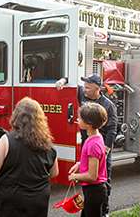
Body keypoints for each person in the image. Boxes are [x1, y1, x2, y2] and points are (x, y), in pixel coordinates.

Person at [0, 97, 59, 217]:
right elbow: (54, 172)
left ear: (16, 117)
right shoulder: (48, 144)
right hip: (38, 202)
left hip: (11, 203)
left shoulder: (6, 141)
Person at [55, 74, 117, 217]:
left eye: (88, 88)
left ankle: (104, 211)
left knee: (103, 179)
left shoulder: (108, 105)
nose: (84, 90)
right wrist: (62, 80)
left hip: (99, 147)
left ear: (97, 88)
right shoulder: (83, 94)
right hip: (89, 141)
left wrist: (105, 150)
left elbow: (112, 130)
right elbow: (70, 79)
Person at [68, 102, 108, 217]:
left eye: (80, 118)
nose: (77, 119)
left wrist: (74, 177)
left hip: (94, 191)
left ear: (88, 123)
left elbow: (92, 176)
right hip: (93, 191)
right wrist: (80, 164)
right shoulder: (95, 136)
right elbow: (95, 159)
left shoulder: (93, 143)